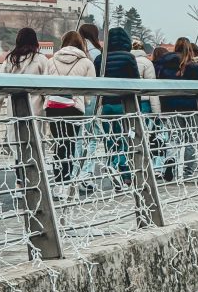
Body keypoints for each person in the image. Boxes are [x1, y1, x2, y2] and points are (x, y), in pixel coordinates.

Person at [154, 37, 198, 180]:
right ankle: (187, 172)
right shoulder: (194, 66)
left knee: (174, 137)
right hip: (191, 106)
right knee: (191, 139)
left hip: (169, 106)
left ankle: (171, 159)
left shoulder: (164, 65)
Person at [45, 31, 95, 184]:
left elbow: (44, 84)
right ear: (81, 44)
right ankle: (66, 180)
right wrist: (85, 102)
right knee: (70, 142)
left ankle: (58, 178)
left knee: (58, 142)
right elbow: (91, 90)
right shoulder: (86, 62)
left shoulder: (51, 60)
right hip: (74, 107)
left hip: (53, 105)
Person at [94, 27, 140, 187]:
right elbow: (136, 81)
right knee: (124, 139)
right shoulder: (129, 58)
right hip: (123, 104)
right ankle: (124, 171)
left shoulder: (100, 59)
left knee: (110, 139)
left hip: (106, 104)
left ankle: (113, 166)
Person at [0, 27, 49, 122]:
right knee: (36, 130)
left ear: (18, 41)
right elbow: (47, 87)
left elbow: (0, 86)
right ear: (35, 41)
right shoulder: (41, 59)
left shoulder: (10, 60)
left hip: (14, 108)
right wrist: (47, 108)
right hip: (36, 109)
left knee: (16, 131)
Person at [131, 37, 160, 115]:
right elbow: (152, 86)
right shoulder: (147, 62)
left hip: (129, 100)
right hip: (144, 100)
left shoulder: (126, 60)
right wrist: (156, 112)